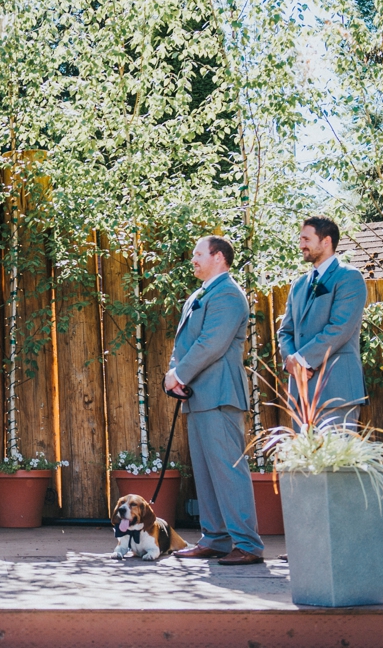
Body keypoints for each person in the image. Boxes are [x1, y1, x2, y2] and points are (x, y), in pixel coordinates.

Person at [165, 235, 264, 566]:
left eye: (198, 254)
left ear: (219, 257)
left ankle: (247, 544)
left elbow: (212, 343)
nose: (192, 259)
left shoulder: (229, 295)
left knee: (228, 471)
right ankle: (215, 539)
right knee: (206, 473)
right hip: (197, 395)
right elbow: (184, 343)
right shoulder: (199, 294)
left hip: (220, 395)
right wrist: (173, 374)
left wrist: (179, 374)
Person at [277, 216, 368, 426]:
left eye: (306, 239)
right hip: (300, 394)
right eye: (301, 239)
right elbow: (285, 331)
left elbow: (339, 328)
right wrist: (291, 361)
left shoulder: (349, 277)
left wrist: (301, 360)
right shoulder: (299, 284)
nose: (301, 245)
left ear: (326, 241)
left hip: (336, 391)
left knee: (338, 450)